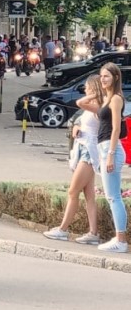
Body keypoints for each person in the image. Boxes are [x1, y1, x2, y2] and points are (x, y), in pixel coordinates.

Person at [43, 75, 103, 245]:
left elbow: (80, 103)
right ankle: (93, 232)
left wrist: (95, 93)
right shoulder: (93, 106)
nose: (85, 90)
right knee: (88, 194)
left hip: (90, 151)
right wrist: (77, 126)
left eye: (87, 87)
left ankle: (63, 229)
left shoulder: (99, 104)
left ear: (94, 88)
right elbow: (81, 120)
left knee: (73, 191)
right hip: (84, 147)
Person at [94, 63, 128, 252]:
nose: (103, 79)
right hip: (104, 148)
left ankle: (121, 240)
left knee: (114, 197)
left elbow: (116, 128)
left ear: (115, 77)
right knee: (111, 196)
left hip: (110, 148)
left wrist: (110, 155)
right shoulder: (107, 98)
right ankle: (119, 238)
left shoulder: (116, 98)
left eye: (106, 76)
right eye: (101, 76)